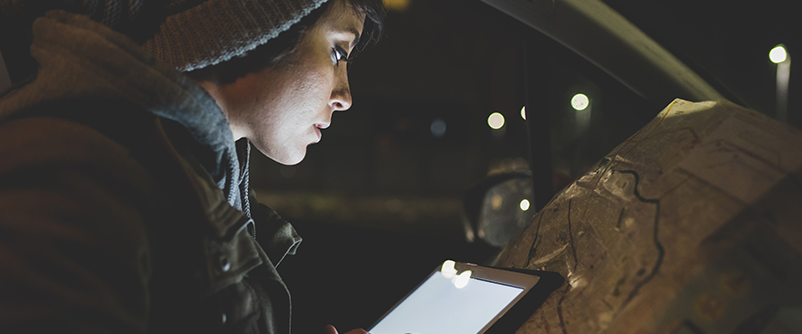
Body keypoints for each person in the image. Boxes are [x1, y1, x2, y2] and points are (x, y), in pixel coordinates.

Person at [0, 0, 384, 333]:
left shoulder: (203, 189)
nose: (344, 97)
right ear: (253, 23)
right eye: (338, 52)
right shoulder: (77, 180)